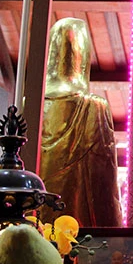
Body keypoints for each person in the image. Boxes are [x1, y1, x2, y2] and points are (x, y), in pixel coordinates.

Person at [39, 17, 123, 226]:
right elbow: (104, 177)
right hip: (79, 225)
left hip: (34, 220)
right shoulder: (95, 106)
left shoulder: (30, 104)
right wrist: (114, 231)